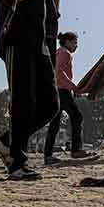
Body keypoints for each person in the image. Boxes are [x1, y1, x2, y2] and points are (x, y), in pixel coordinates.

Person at [0, 0, 60, 180]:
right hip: (15, 40)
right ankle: (16, 163)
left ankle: (7, 142)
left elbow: (52, 15)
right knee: (23, 102)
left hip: (39, 46)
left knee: (50, 105)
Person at [43, 32, 91, 165]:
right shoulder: (65, 53)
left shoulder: (58, 52)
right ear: (68, 42)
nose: (76, 46)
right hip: (62, 91)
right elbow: (59, 73)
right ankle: (76, 150)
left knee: (54, 124)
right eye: (75, 42)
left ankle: (48, 155)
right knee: (77, 117)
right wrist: (74, 87)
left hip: (55, 90)